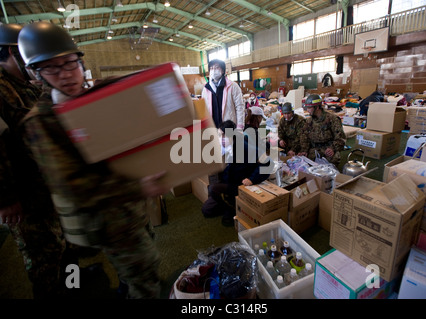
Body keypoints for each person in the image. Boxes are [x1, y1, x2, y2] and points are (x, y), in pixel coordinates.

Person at [18, 21, 168, 299]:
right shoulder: (41, 122)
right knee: (145, 277)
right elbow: (73, 186)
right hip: (107, 218)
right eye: (52, 67)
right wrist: (140, 187)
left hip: (131, 209)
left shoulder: (93, 97)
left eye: (70, 63)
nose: (66, 75)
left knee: (140, 267)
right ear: (34, 72)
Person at [0, 23, 74, 299]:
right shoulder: (2, 88)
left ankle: (72, 285)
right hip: (24, 195)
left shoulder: (25, 85)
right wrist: (5, 198)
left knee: (63, 244)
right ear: (12, 52)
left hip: (46, 185)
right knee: (43, 256)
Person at [201, 120, 271, 227]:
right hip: (227, 182)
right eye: (220, 135)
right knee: (206, 210)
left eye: (224, 135)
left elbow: (268, 162)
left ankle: (231, 208)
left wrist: (252, 179)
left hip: (239, 185)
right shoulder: (223, 147)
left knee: (212, 188)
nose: (221, 138)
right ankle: (230, 206)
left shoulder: (244, 147)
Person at [298, 94, 346, 166]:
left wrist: (332, 148)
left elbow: (341, 138)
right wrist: (304, 150)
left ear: (317, 107)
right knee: (303, 162)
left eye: (309, 107)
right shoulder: (309, 121)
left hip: (328, 148)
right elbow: (304, 137)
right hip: (314, 149)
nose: (307, 110)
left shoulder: (332, 119)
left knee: (331, 163)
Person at [201, 59, 245, 130]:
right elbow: (204, 110)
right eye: (211, 68)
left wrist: (239, 127)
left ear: (223, 70)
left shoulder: (233, 86)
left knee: (230, 141)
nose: (214, 70)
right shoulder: (206, 89)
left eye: (216, 67)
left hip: (228, 127)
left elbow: (240, 107)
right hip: (213, 128)